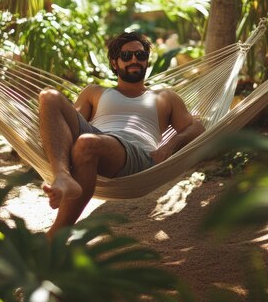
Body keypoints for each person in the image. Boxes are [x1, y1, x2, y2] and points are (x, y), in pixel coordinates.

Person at [38, 32, 205, 238]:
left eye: (140, 55)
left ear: (146, 61)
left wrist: (169, 146)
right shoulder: (94, 92)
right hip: (97, 138)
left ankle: (55, 236)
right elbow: (67, 127)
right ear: (115, 63)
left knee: (86, 144)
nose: (134, 60)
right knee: (49, 97)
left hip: (137, 155)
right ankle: (62, 176)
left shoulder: (165, 96)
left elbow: (197, 128)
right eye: (126, 56)